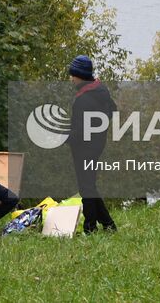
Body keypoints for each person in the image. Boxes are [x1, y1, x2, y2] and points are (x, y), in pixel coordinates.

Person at [68, 54, 117, 233]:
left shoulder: (84, 99)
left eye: (73, 75)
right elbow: (113, 110)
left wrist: (64, 137)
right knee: (89, 186)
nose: (71, 78)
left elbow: (80, 132)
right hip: (97, 144)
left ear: (79, 75)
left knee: (86, 187)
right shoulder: (100, 91)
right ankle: (108, 224)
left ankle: (91, 227)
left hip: (84, 148)